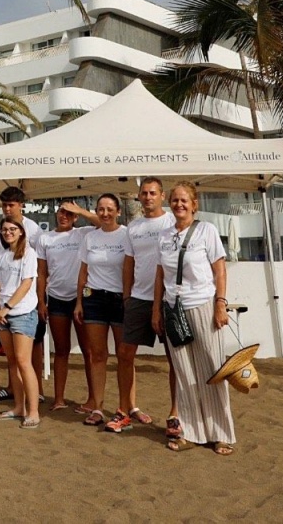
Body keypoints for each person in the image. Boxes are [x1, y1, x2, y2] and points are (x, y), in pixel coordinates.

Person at [152, 184, 236, 455]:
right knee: (184, 371)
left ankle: (221, 433)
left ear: (194, 203)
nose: (179, 205)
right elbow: (160, 275)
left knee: (212, 369)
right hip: (173, 308)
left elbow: (219, 271)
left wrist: (220, 304)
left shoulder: (206, 231)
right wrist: (157, 310)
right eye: (175, 200)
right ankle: (190, 430)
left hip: (202, 304)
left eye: (184, 200)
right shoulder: (164, 236)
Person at [106, 177, 176, 432]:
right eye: (144, 193)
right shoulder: (133, 228)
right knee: (124, 354)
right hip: (138, 298)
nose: (148, 197)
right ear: (139, 196)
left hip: (169, 300)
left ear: (162, 196)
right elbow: (128, 263)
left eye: (153, 193)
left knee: (174, 359)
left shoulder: (172, 222)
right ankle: (123, 410)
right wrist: (127, 296)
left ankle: (175, 413)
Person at [71, 193, 127, 427]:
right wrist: (79, 302)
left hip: (120, 299)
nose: (105, 213)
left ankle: (125, 408)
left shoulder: (126, 234)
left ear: (118, 211)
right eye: (100, 209)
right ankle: (97, 408)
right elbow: (83, 272)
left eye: (109, 209)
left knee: (124, 356)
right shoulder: (90, 238)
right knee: (97, 355)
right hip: (93, 298)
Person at [37, 199, 92, 411]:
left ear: (75, 217)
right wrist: (41, 301)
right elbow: (42, 273)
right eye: (61, 212)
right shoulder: (45, 238)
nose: (64, 216)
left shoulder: (83, 233)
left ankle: (92, 398)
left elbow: (102, 222)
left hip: (82, 297)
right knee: (61, 350)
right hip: (57, 298)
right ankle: (59, 399)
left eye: (69, 214)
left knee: (88, 351)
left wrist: (79, 210)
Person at [0, 220, 41, 429]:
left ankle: (34, 411)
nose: (8, 233)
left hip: (22, 313)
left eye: (12, 229)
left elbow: (27, 283)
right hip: (2, 314)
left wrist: (7, 307)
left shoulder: (29, 254)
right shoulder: (3, 255)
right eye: (4, 230)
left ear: (21, 232)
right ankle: (19, 407)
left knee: (23, 361)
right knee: (12, 361)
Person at [0, 185, 46, 399]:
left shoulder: (34, 229)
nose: (8, 209)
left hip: (27, 301)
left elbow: (37, 267)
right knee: (14, 358)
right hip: (5, 299)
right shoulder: (1, 228)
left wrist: (38, 300)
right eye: (4, 205)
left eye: (11, 205)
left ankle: (38, 393)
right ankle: (14, 391)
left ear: (21, 206)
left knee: (31, 349)